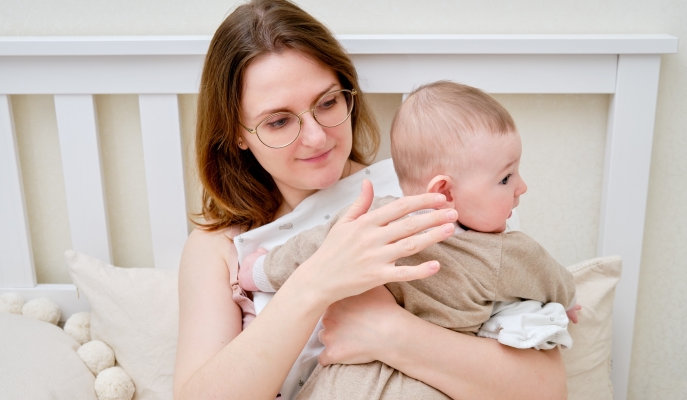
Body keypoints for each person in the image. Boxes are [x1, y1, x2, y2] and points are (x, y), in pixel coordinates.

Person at [173, 1, 568, 399]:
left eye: (327, 103)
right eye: (279, 121)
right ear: (237, 133)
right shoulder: (219, 249)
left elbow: (547, 390)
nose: (316, 136)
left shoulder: (436, 191)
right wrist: (314, 285)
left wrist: (389, 333)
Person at [238, 81, 577, 399]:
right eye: (506, 178)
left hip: (367, 375)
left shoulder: (373, 217)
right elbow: (549, 276)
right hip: (409, 379)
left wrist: (259, 270)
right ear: (443, 191)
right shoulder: (500, 251)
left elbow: (309, 247)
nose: (521, 187)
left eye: (328, 102)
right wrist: (565, 300)